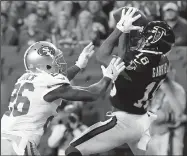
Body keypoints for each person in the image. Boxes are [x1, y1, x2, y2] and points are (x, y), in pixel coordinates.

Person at [65, 7, 175, 156]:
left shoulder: (140, 63)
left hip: (124, 121)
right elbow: (126, 56)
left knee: (72, 150)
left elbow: (102, 55)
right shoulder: (164, 61)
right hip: (142, 121)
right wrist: (125, 32)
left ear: (152, 40)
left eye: (144, 36)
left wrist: (119, 29)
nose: (140, 39)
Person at [1, 41, 125, 155]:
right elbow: (93, 93)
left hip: (4, 136)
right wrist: (108, 76)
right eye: (54, 62)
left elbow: (56, 83)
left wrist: (78, 66)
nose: (58, 64)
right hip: (21, 143)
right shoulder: (48, 84)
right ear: (44, 65)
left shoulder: (25, 78)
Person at [146, 66, 187, 155]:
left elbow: (179, 115)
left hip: (170, 139)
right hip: (152, 138)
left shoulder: (178, 90)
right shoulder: (149, 88)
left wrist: (166, 88)